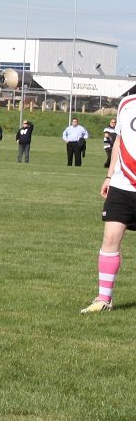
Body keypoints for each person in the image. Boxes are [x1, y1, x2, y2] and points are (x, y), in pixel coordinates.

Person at [82, 94, 136, 313]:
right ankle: (104, 299)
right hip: (122, 185)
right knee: (110, 237)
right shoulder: (127, 103)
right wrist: (109, 176)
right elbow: (119, 142)